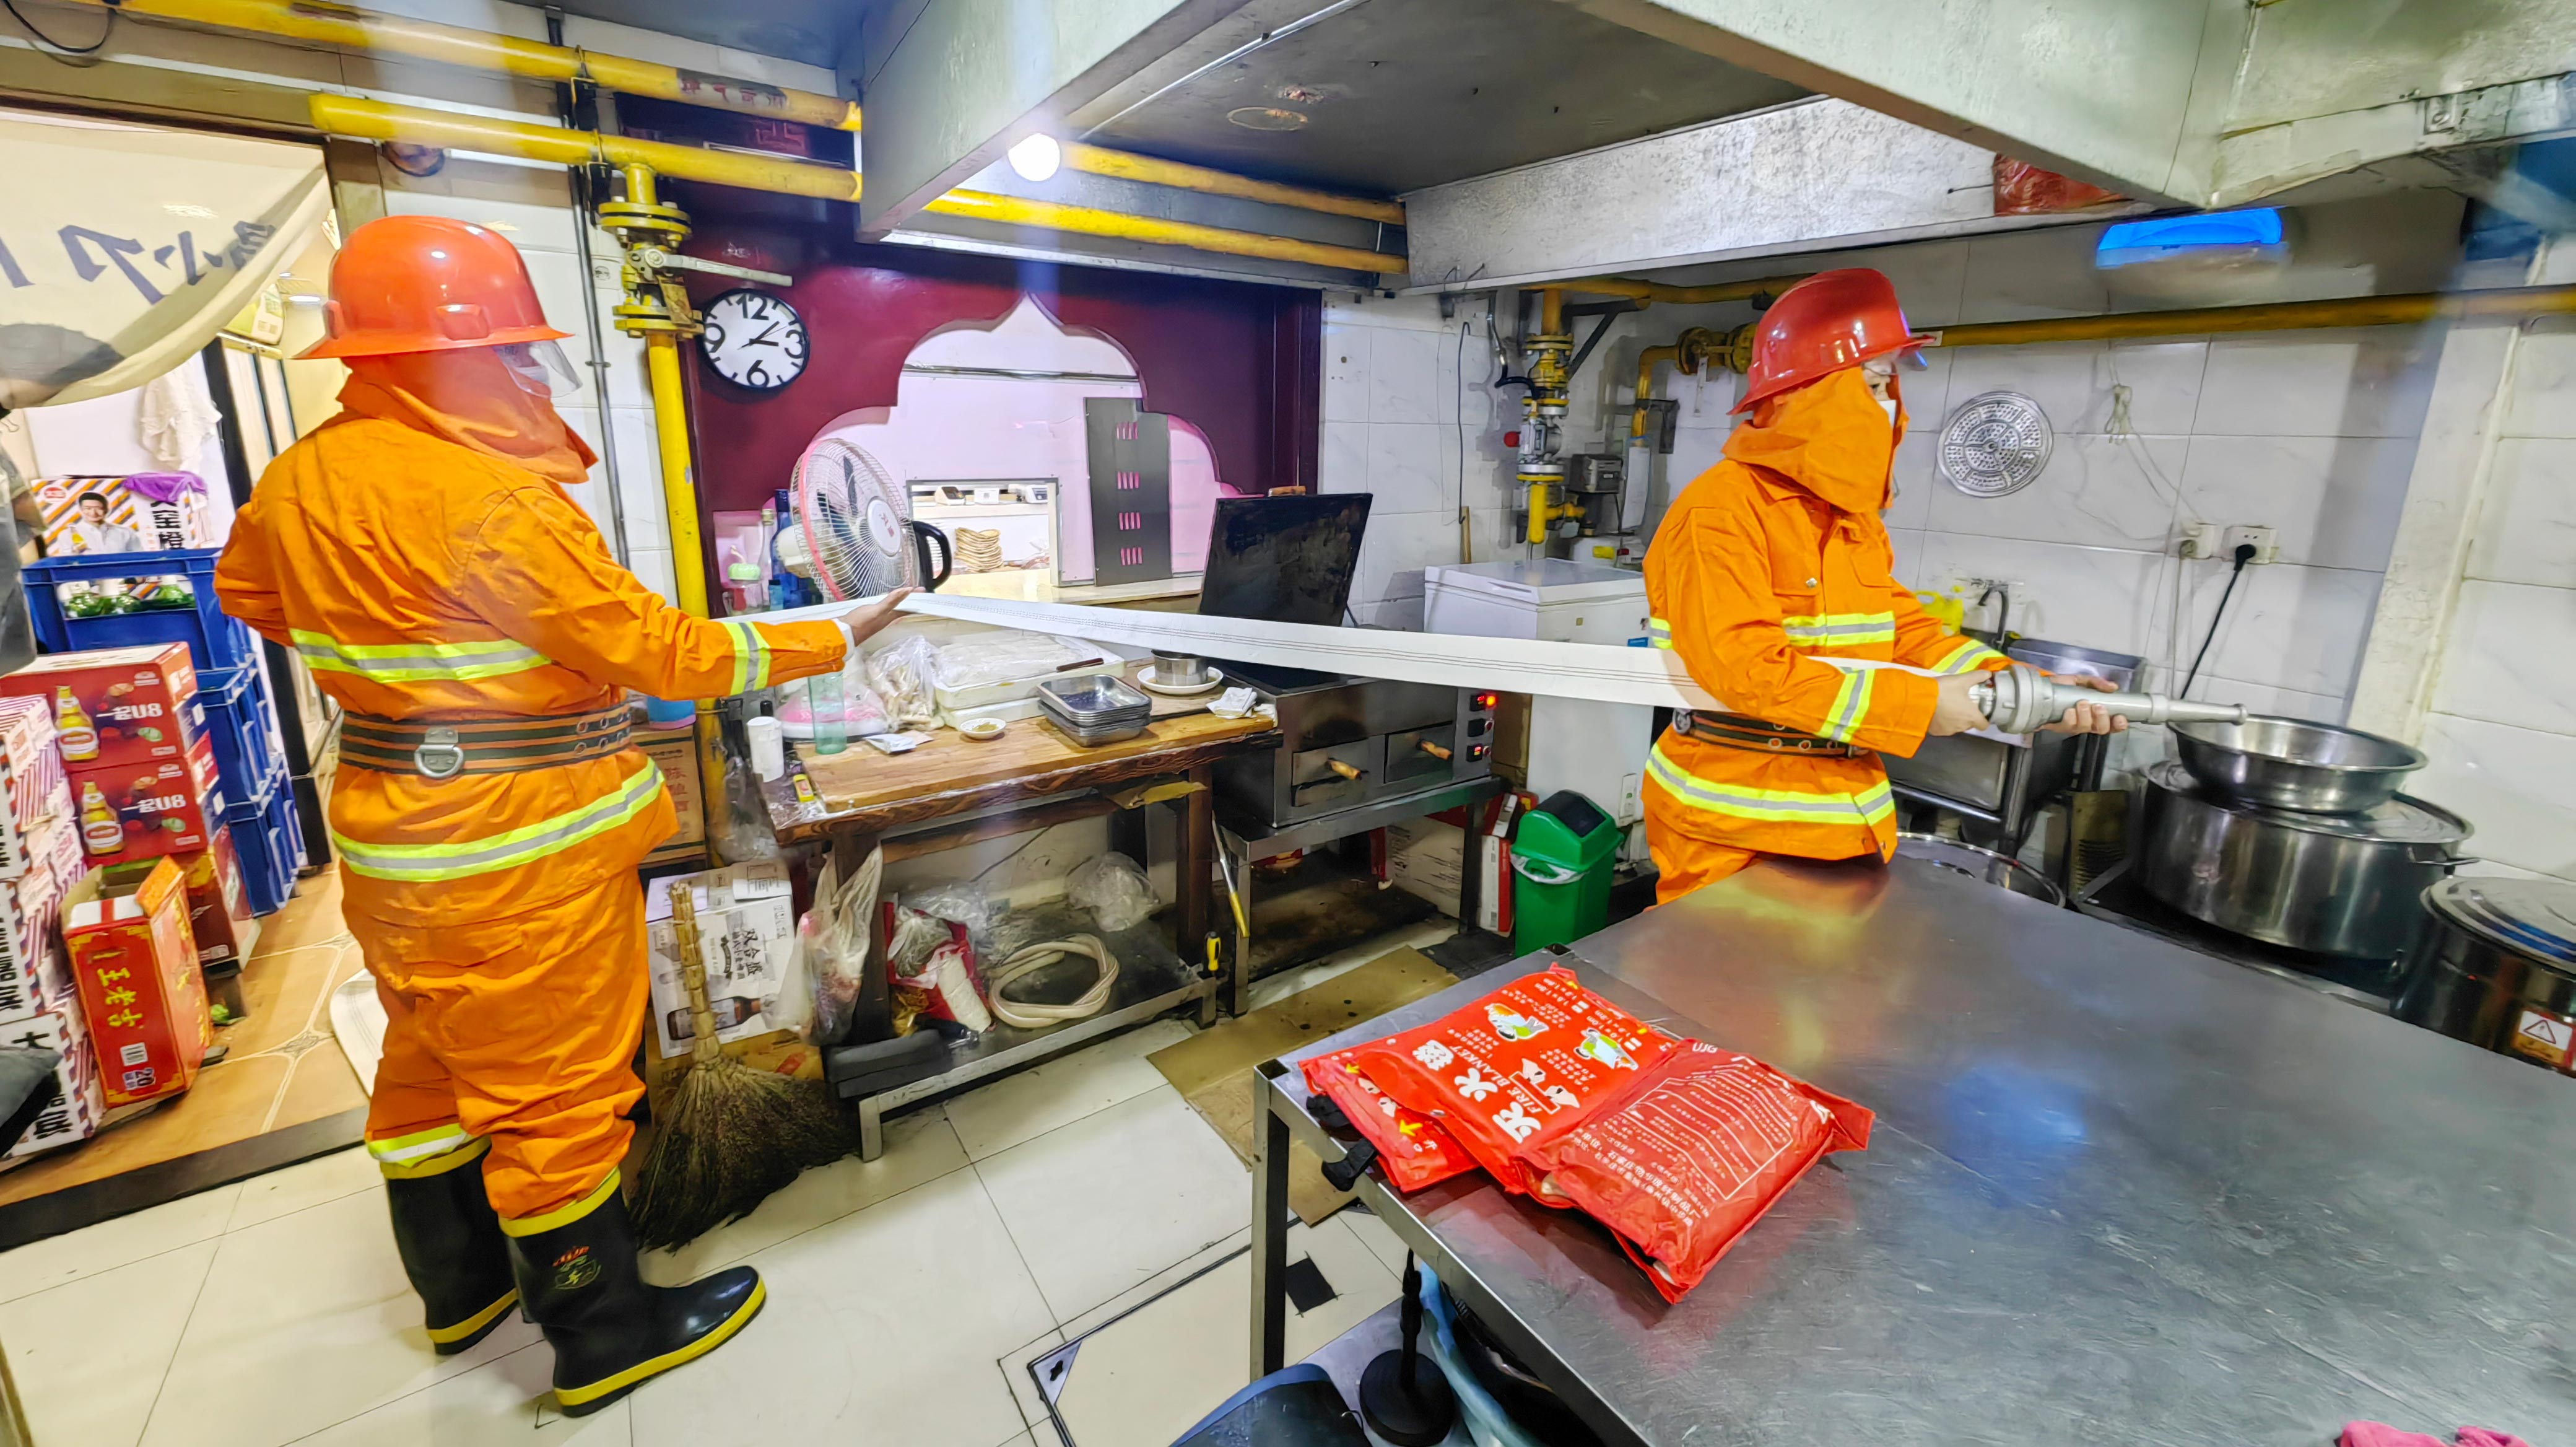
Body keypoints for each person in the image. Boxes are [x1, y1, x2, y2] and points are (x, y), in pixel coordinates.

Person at [214, 215, 910, 1415]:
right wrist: (841, 628)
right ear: (452, 358)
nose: (534, 377)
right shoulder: (497, 503)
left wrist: (412, 676)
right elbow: (668, 651)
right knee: (558, 1097)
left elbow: (255, 597)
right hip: (517, 858)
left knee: (428, 1068)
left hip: (391, 849)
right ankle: (606, 1330)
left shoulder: (296, 480)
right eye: (516, 354)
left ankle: (462, 1291)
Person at [1642, 268, 2120, 904]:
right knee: (1715, 1002)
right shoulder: (1721, 510)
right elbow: (1747, 670)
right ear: (1813, 395)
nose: (1889, 406)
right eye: (1872, 384)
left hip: (1839, 820)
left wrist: (2024, 690)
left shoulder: (1847, 521)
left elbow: (1903, 631)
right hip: (1737, 827)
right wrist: (1920, 707)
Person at [67, 491, 147, 554]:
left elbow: (139, 558)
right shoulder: (68, 535)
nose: (93, 513)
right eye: (88, 509)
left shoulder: (126, 532)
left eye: (98, 508)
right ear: (81, 510)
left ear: (107, 509)